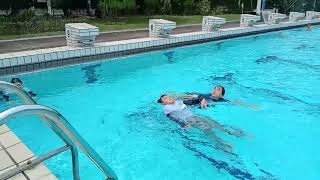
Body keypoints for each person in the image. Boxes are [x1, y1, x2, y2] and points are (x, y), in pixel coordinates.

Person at [157, 94, 252, 153]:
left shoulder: (179, 102)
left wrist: (201, 99)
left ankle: (236, 133)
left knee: (216, 124)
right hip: (190, 120)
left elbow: (194, 100)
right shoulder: (167, 110)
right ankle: (222, 145)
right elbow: (173, 118)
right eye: (165, 98)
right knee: (208, 130)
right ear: (163, 103)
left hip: (196, 116)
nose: (168, 98)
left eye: (168, 96)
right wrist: (183, 124)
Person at [172, 85, 260, 110]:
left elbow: (235, 102)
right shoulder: (206, 95)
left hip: (188, 107)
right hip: (188, 101)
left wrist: (250, 106)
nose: (214, 90)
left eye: (217, 89)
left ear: (221, 95)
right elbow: (194, 94)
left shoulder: (221, 100)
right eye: (214, 88)